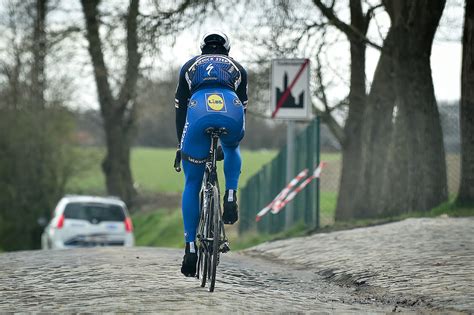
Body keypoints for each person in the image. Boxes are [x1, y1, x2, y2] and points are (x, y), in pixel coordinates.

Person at [174, 31, 248, 277]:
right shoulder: (238, 69)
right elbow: (243, 110)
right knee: (231, 147)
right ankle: (229, 195)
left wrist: (181, 144)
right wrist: (231, 137)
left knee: (192, 182)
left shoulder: (189, 66)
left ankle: (191, 249)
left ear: (202, 48)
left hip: (197, 113)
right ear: (227, 49)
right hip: (231, 109)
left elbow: (180, 111)